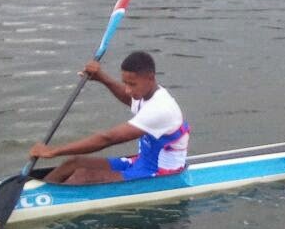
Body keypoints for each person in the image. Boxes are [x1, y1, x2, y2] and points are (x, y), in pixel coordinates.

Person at [28, 51, 189, 184]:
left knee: (82, 177)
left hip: (162, 174)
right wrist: (101, 78)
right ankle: (38, 193)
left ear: (151, 78)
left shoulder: (160, 109)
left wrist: (54, 151)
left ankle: (48, 201)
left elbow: (108, 138)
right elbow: (129, 99)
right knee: (73, 163)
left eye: (132, 84)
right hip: (140, 162)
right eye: (125, 83)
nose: (127, 90)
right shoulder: (146, 94)